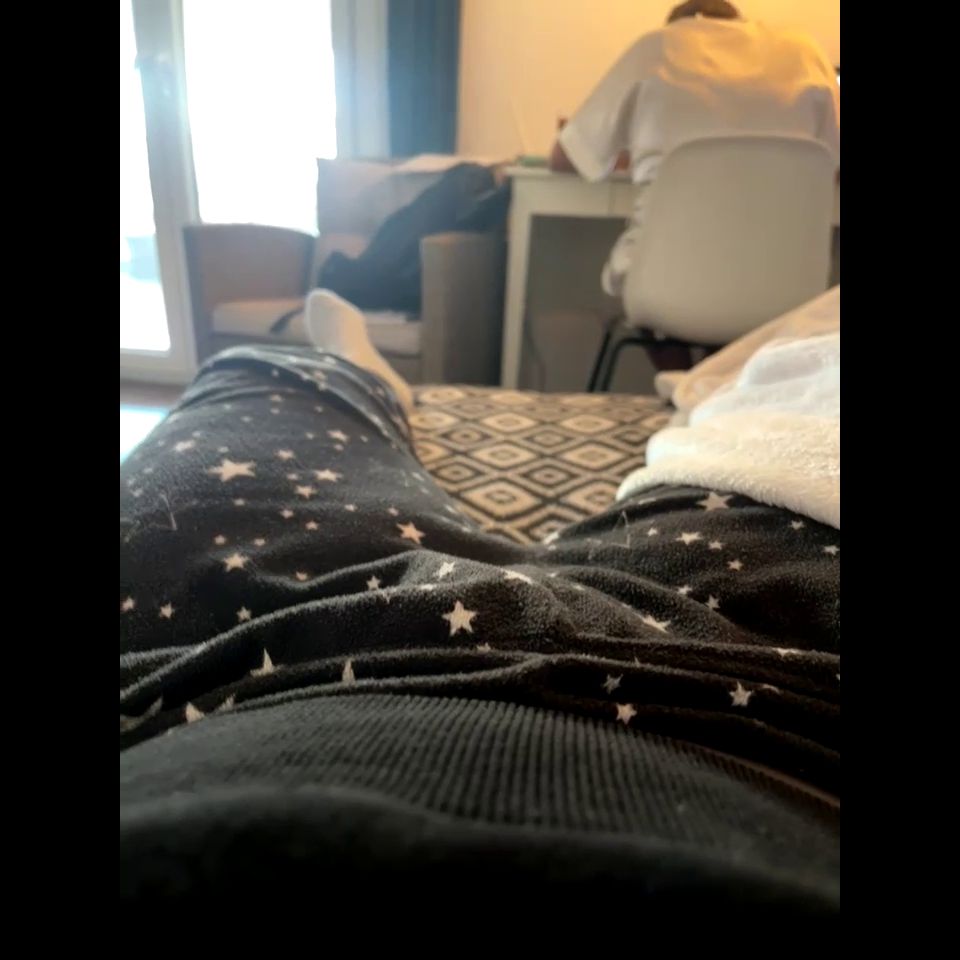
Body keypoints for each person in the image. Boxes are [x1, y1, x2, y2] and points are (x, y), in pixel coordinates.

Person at [120, 290, 839, 912]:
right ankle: (737, 398)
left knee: (252, 377)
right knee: (796, 413)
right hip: (758, 682)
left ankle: (351, 373)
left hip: (209, 670)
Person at [550, 0, 840, 368]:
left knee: (662, 289)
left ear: (678, 26)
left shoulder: (656, 48)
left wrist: (635, 155)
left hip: (668, 285)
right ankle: (717, 386)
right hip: (786, 289)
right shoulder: (804, 52)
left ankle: (680, 383)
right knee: (745, 290)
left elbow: (563, 159)